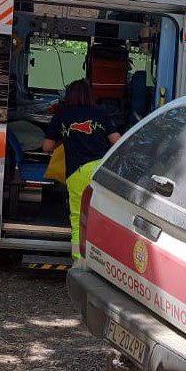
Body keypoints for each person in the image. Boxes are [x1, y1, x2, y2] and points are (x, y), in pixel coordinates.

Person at [43, 80, 121, 256]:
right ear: (90, 95)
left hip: (77, 172)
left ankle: (79, 264)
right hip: (100, 172)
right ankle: (102, 263)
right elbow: (118, 142)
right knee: (101, 218)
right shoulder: (101, 114)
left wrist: (66, 138)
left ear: (69, 96)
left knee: (78, 219)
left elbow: (47, 147)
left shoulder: (62, 116)